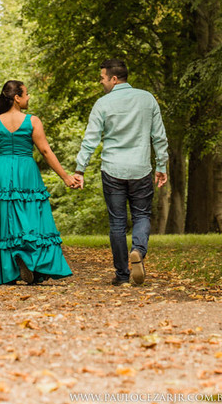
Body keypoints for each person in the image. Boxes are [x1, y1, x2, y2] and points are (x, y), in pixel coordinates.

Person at [69, 58, 168, 286]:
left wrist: (79, 169)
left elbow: (90, 140)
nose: (101, 82)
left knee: (117, 223)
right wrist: (161, 166)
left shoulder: (102, 104)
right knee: (142, 215)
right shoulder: (147, 99)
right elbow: (159, 137)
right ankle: (138, 251)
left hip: (112, 169)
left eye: (103, 78)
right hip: (140, 168)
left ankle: (122, 275)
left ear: (114, 78)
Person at [0, 80, 79, 285]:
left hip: (1, 171)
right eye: (26, 94)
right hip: (26, 171)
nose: (29, 98)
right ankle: (31, 261)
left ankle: (9, 270)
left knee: (5, 220)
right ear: (17, 98)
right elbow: (45, 151)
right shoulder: (32, 121)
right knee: (32, 218)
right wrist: (65, 177)